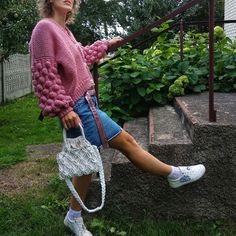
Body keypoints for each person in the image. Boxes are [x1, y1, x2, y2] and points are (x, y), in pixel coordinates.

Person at [30, 0, 206, 235]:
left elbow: (80, 56)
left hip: (86, 104)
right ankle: (174, 174)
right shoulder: (44, 28)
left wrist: (104, 46)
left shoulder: (65, 31)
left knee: (87, 163)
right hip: (78, 109)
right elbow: (44, 74)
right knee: (126, 142)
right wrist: (64, 109)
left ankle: (73, 217)